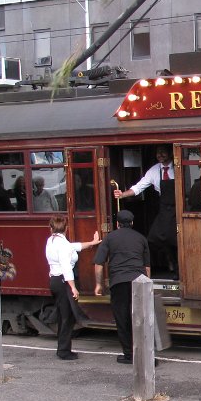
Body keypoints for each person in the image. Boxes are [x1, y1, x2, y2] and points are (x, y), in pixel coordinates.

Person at [93, 209, 151, 365]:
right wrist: (147, 286)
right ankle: (144, 354)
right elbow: (146, 267)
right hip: (139, 282)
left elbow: (99, 263)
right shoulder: (141, 238)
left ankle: (128, 354)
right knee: (139, 318)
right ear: (132, 223)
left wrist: (98, 284)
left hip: (118, 282)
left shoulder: (109, 238)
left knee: (122, 318)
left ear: (117, 224)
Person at [44, 216, 101, 361]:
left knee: (65, 315)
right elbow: (66, 267)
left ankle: (63, 348)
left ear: (51, 228)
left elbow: (75, 246)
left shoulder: (52, 241)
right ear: (66, 228)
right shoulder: (62, 245)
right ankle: (63, 350)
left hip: (55, 281)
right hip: (63, 280)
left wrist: (91, 243)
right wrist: (73, 287)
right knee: (67, 316)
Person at [115, 146, 178, 276]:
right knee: (153, 238)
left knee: (176, 240)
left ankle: (179, 269)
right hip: (165, 208)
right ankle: (168, 263)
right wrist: (122, 195)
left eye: (163, 152)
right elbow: (139, 187)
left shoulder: (178, 166)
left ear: (171, 153)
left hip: (179, 207)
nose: (160, 155)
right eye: (158, 152)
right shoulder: (154, 170)